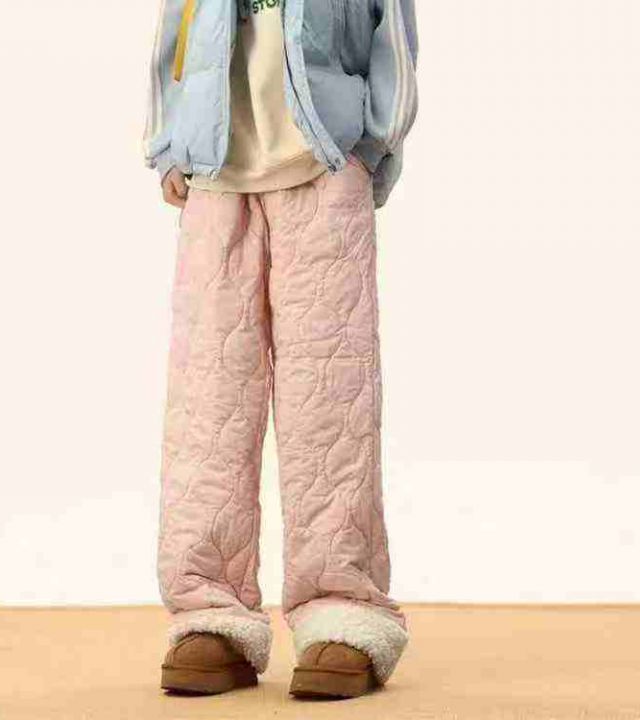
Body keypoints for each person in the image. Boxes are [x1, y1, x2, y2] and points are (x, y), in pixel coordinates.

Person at [143, 0, 418, 699]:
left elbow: (394, 34)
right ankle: (210, 610)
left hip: (324, 168)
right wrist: (168, 140)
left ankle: (343, 608)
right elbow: (174, 33)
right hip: (216, 177)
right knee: (207, 407)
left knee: (332, 405)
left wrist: (374, 142)